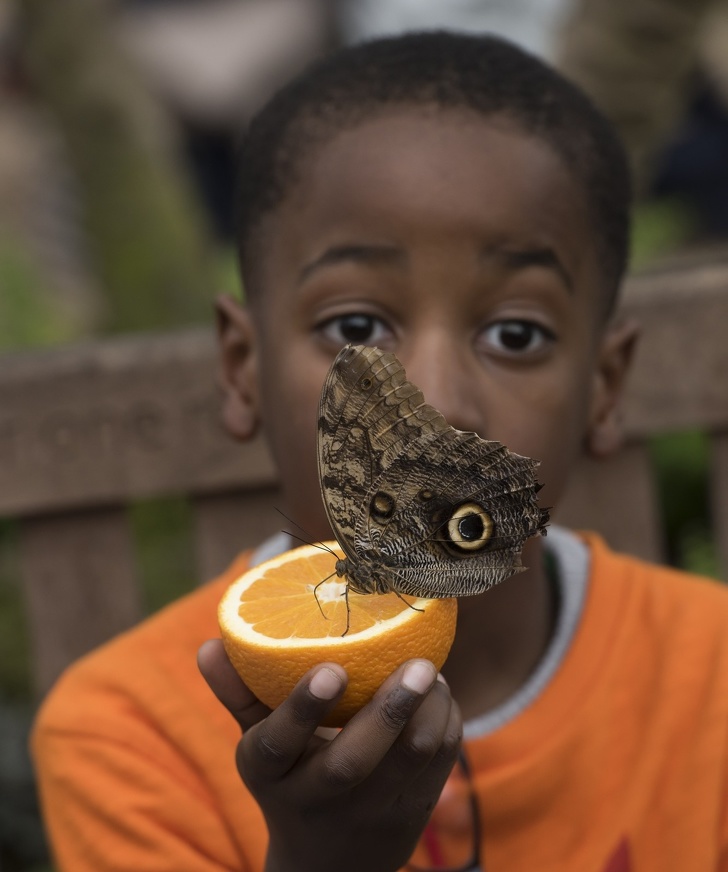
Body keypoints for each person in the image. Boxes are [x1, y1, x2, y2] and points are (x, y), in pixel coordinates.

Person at [31, 32, 728, 872]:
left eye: (515, 332)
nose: (436, 399)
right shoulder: (132, 732)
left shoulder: (711, 682)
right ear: (242, 369)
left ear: (605, 387)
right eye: (356, 328)